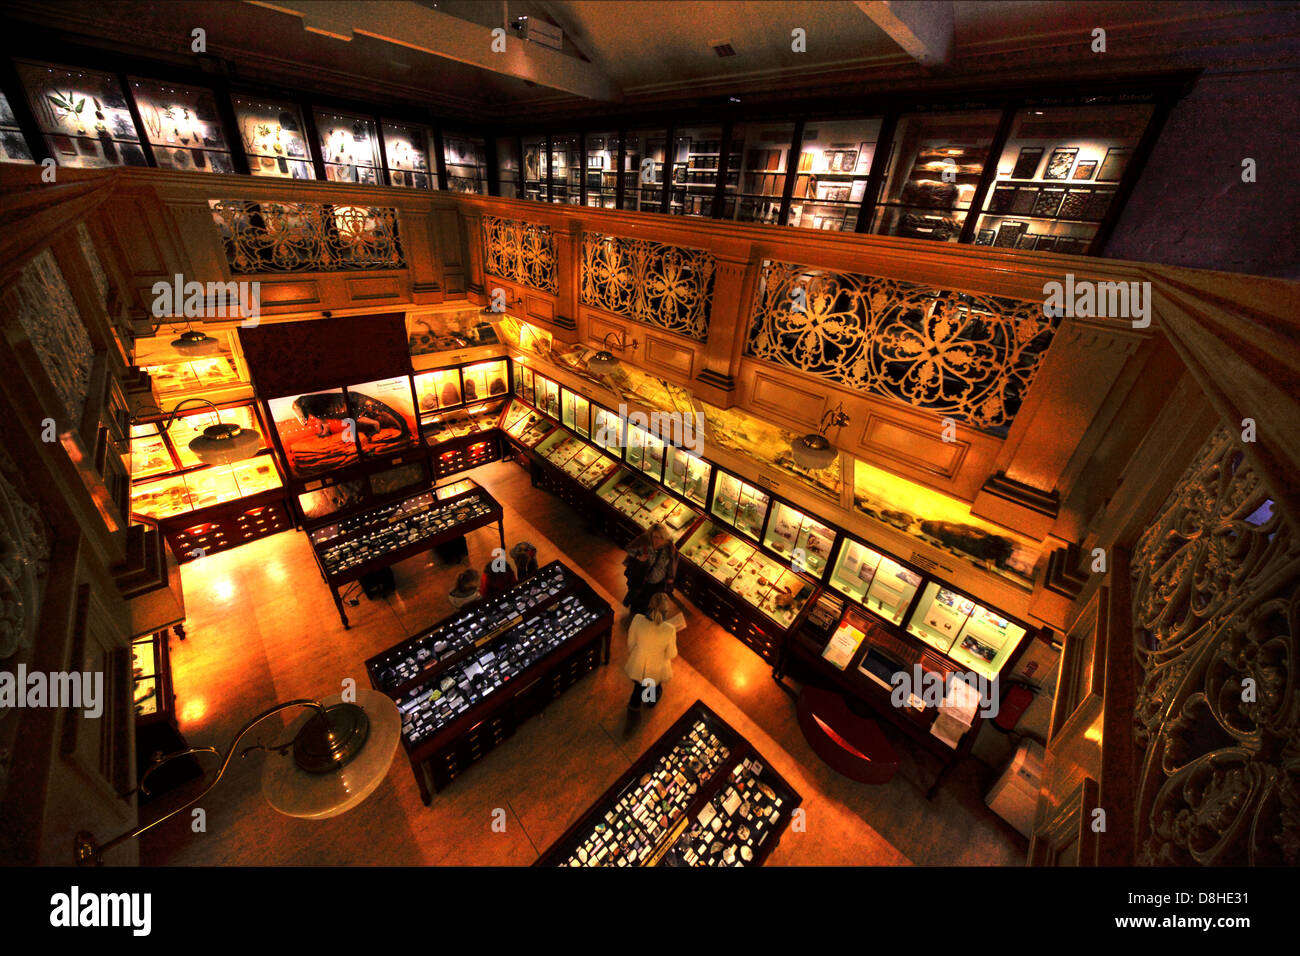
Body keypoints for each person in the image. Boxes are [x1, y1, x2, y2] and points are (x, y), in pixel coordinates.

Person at [625, 592, 679, 710]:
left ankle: (634, 704)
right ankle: (649, 702)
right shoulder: (669, 629)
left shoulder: (637, 619)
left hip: (638, 662)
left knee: (638, 686)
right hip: (655, 667)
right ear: (666, 610)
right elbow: (671, 653)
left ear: (650, 605)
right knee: (651, 687)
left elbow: (630, 643)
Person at [623, 522, 677, 617]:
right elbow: (629, 548)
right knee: (637, 599)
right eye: (655, 537)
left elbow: (673, 561)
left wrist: (670, 576)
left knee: (651, 602)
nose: (658, 540)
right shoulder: (644, 542)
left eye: (661, 537)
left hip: (658, 583)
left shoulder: (669, 547)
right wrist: (638, 557)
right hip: (642, 580)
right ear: (650, 536)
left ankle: (644, 615)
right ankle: (634, 615)